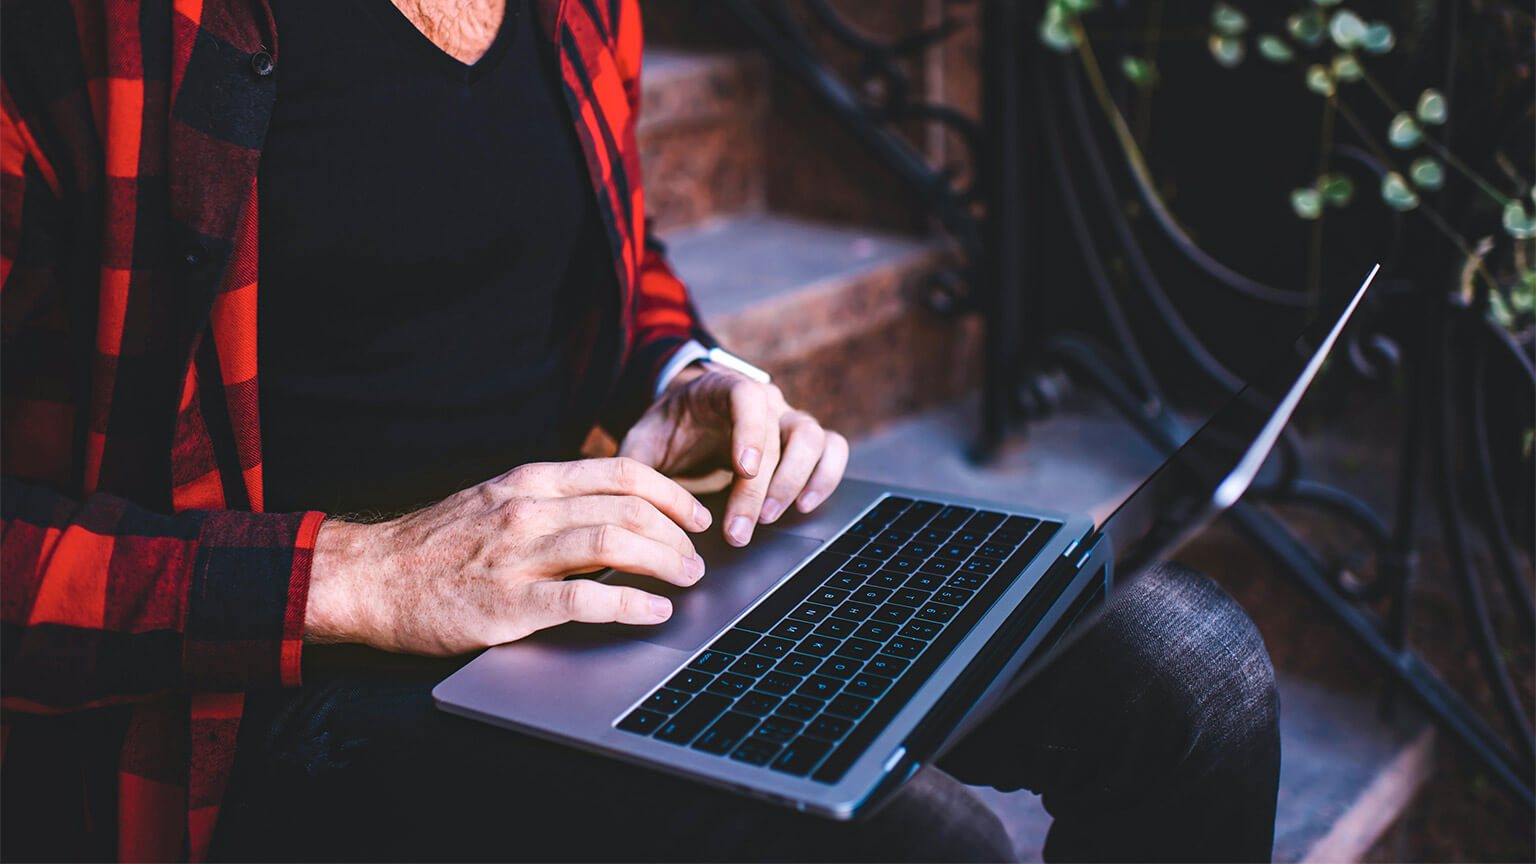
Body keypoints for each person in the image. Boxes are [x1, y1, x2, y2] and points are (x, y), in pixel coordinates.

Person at [0, 0, 1281, 860]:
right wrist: (363, 573)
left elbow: (620, 263)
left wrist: (690, 369)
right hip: (280, 692)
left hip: (617, 584)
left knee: (1192, 670)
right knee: (926, 843)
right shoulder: (81, 41)